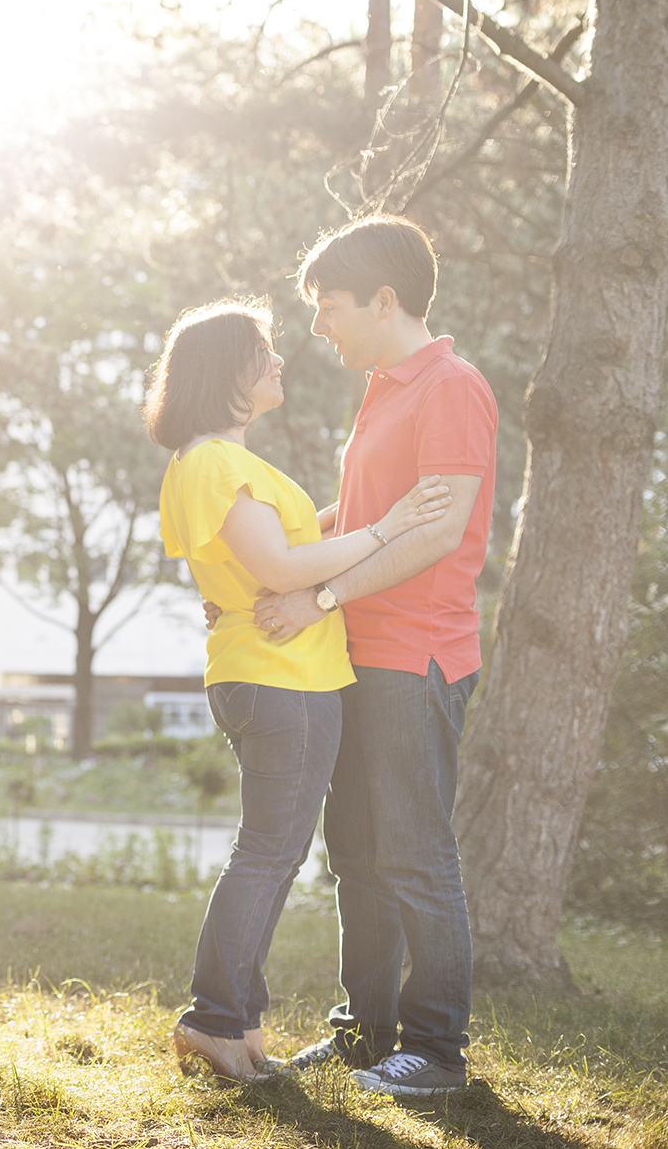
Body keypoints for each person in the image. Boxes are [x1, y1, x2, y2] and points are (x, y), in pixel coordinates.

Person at [144, 298, 449, 1084]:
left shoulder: (206, 463)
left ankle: (237, 1027)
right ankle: (215, 1019)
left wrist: (362, 518)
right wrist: (386, 529)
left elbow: (279, 547)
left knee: (269, 856)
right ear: (228, 371)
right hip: (284, 678)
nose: (280, 360)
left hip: (263, 674)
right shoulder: (215, 461)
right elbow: (280, 570)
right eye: (265, 350)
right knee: (267, 856)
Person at [250, 216, 497, 1098]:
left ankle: (435, 1052)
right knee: (355, 852)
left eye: (330, 306)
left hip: (414, 652)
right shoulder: (385, 389)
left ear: (384, 301)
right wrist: (268, 560)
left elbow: (435, 531)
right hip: (356, 650)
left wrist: (314, 595)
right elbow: (365, 513)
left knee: (415, 853)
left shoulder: (452, 387)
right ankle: (366, 1032)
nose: (319, 326)